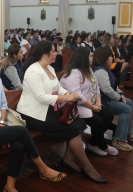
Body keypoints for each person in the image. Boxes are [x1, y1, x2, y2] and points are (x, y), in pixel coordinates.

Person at [0, 44, 66, 192]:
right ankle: (42, 167)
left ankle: (9, 186)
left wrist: (2, 126)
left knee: (19, 145)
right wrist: (1, 129)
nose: (0, 61)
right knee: (22, 131)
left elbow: (3, 106)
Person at [16, 41, 107, 184]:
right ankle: (87, 167)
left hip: (48, 110)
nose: (57, 53)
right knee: (72, 127)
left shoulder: (49, 68)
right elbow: (41, 97)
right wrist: (65, 98)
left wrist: (69, 94)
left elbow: (58, 89)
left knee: (79, 123)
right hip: (33, 114)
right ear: (45, 54)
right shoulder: (33, 71)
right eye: (53, 51)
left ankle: (68, 159)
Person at [60, 47, 118, 156]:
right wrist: (92, 107)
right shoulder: (72, 73)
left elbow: (96, 87)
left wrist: (99, 102)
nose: (92, 58)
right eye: (90, 56)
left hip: (90, 103)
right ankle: (102, 145)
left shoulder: (88, 69)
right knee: (98, 121)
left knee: (108, 115)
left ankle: (94, 143)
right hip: (75, 106)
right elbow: (78, 96)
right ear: (83, 58)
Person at [92, 47, 133, 152]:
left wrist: (121, 94)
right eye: (110, 56)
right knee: (126, 109)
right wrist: (119, 98)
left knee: (129, 102)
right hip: (103, 101)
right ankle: (119, 140)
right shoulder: (99, 71)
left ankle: (127, 132)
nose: (112, 59)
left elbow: (115, 85)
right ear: (103, 58)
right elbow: (107, 89)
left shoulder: (106, 69)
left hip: (108, 98)